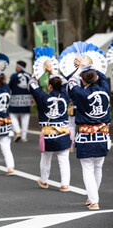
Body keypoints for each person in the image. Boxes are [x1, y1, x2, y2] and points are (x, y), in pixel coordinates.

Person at [67, 59, 111, 210]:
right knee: (98, 167)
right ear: (96, 77)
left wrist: (80, 68)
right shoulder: (105, 89)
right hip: (103, 136)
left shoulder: (80, 93)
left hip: (86, 137)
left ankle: (94, 200)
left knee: (88, 168)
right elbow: (103, 78)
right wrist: (91, 66)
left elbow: (71, 83)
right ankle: (93, 197)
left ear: (82, 79)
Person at [28, 63, 71, 192]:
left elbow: (32, 86)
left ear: (50, 86)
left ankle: (44, 181)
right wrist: (52, 72)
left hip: (48, 134)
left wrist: (35, 74)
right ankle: (65, 184)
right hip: (63, 133)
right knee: (63, 159)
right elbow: (64, 83)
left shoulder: (43, 97)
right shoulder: (65, 95)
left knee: (46, 158)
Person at [9, 61, 32, 142]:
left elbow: (10, 87)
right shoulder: (29, 76)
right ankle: (24, 136)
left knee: (12, 115)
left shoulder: (14, 76)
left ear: (19, 67)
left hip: (15, 98)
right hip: (27, 99)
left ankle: (18, 131)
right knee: (25, 117)